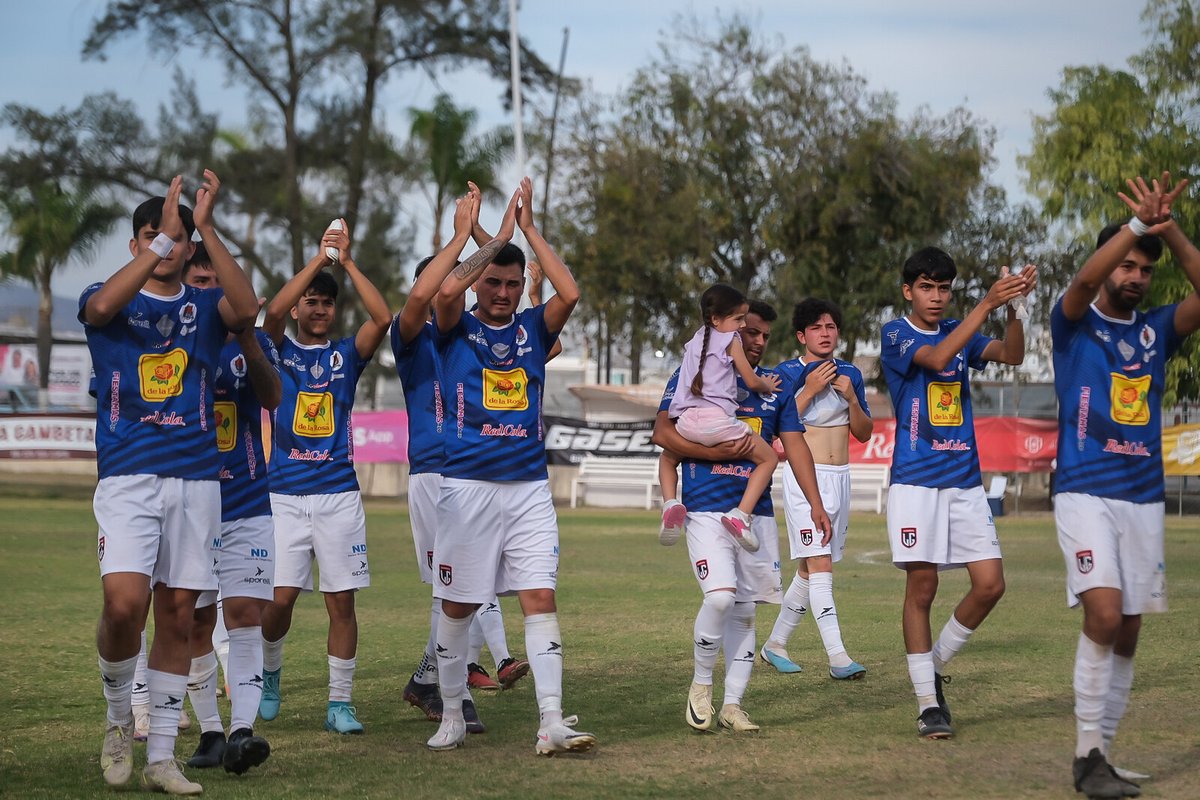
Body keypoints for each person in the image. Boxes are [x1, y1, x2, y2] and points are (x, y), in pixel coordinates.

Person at [83, 171, 258, 794]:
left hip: (196, 480)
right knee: (124, 604)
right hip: (128, 477)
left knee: (179, 615)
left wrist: (204, 227)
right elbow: (101, 309)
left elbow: (249, 310)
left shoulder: (205, 306)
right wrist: (168, 234)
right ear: (137, 245)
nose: (168, 244)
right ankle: (114, 716)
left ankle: (161, 756)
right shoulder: (108, 297)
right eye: (154, 235)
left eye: (177, 239)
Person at [424, 177, 596, 755]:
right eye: (493, 282)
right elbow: (444, 293)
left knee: (540, 599)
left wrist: (526, 231)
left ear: (524, 288)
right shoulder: (457, 329)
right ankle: (449, 713)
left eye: (511, 283)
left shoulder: (532, 328)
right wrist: (492, 239)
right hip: (466, 488)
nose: (500, 291)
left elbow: (569, 293)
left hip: (527, 490)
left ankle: (550, 722)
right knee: (458, 605)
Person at [1050, 173, 1199, 799]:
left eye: (1145, 269)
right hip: (1084, 489)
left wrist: (1171, 230)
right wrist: (1136, 224)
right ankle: (1086, 756)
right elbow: (1083, 281)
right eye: (1128, 264)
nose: (1136, 276)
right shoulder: (1074, 324)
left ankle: (1102, 756)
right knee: (1105, 613)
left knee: (1130, 627)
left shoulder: (1157, 329)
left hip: (1143, 496)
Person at [652, 300, 831, 733]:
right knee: (719, 598)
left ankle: (733, 705)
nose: (758, 342)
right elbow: (662, 434)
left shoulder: (775, 389)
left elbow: (798, 447)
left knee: (746, 612)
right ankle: (700, 685)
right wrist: (715, 450)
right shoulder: (693, 377)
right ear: (730, 331)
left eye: (766, 336)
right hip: (705, 512)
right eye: (751, 332)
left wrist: (816, 503)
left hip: (755, 518)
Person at [880, 246, 1035, 740]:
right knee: (922, 589)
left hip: (964, 481)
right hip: (915, 483)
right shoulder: (897, 333)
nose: (936, 297)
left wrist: (1015, 309)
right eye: (926, 287)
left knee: (991, 585)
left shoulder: (958, 330)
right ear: (908, 291)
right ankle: (928, 704)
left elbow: (1012, 355)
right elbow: (938, 358)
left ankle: (933, 665)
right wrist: (986, 305)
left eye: (944, 288)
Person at [394, 190, 527, 735]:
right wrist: (466, 238)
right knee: (453, 590)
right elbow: (430, 291)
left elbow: (546, 343)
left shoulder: (473, 337)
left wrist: (493, 244)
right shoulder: (412, 338)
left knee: (472, 589)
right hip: (434, 472)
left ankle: (431, 679)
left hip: (479, 474)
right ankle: (442, 688)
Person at [258, 218, 392, 734]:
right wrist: (319, 258)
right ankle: (271, 675)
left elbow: (381, 317)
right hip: (285, 495)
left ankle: (340, 703)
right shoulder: (278, 350)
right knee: (280, 601)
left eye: (327, 301)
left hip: (338, 494)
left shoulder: (344, 356)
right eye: (310, 300)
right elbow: (269, 314)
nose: (318, 307)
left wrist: (347, 260)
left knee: (342, 603)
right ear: (298, 308)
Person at [164, 242, 279, 775]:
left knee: (245, 616)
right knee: (194, 621)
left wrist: (248, 341)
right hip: (190, 503)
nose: (211, 291)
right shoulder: (170, 340)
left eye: (219, 282)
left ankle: (242, 732)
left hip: (248, 501)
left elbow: (274, 397)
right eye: (202, 282)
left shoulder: (247, 342)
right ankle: (210, 730)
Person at [761, 298, 873, 679]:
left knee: (811, 569)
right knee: (821, 563)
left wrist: (852, 399)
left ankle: (775, 644)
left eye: (831, 327)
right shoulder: (787, 372)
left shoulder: (850, 374)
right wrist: (808, 389)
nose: (825, 334)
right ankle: (838, 657)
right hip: (804, 479)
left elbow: (863, 432)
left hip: (840, 478)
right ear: (801, 335)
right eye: (817, 328)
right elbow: (773, 426)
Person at [658, 284, 782, 553]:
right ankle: (741, 515)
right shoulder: (732, 341)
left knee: (668, 458)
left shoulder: (695, 341)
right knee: (768, 459)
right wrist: (767, 385)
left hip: (687, 422)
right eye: (738, 319)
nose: (741, 325)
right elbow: (749, 379)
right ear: (716, 319)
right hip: (718, 423)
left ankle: (670, 503)